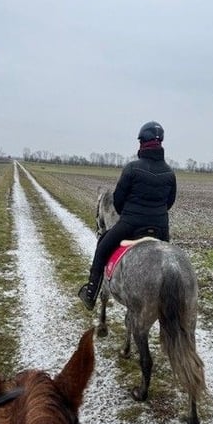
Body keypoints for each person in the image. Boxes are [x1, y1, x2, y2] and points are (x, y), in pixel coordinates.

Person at [77, 121, 177, 310]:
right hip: (161, 229)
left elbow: (118, 199)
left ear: (142, 143)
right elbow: (169, 203)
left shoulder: (132, 168)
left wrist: (128, 215)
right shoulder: (170, 173)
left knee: (102, 246)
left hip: (131, 224)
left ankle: (91, 293)